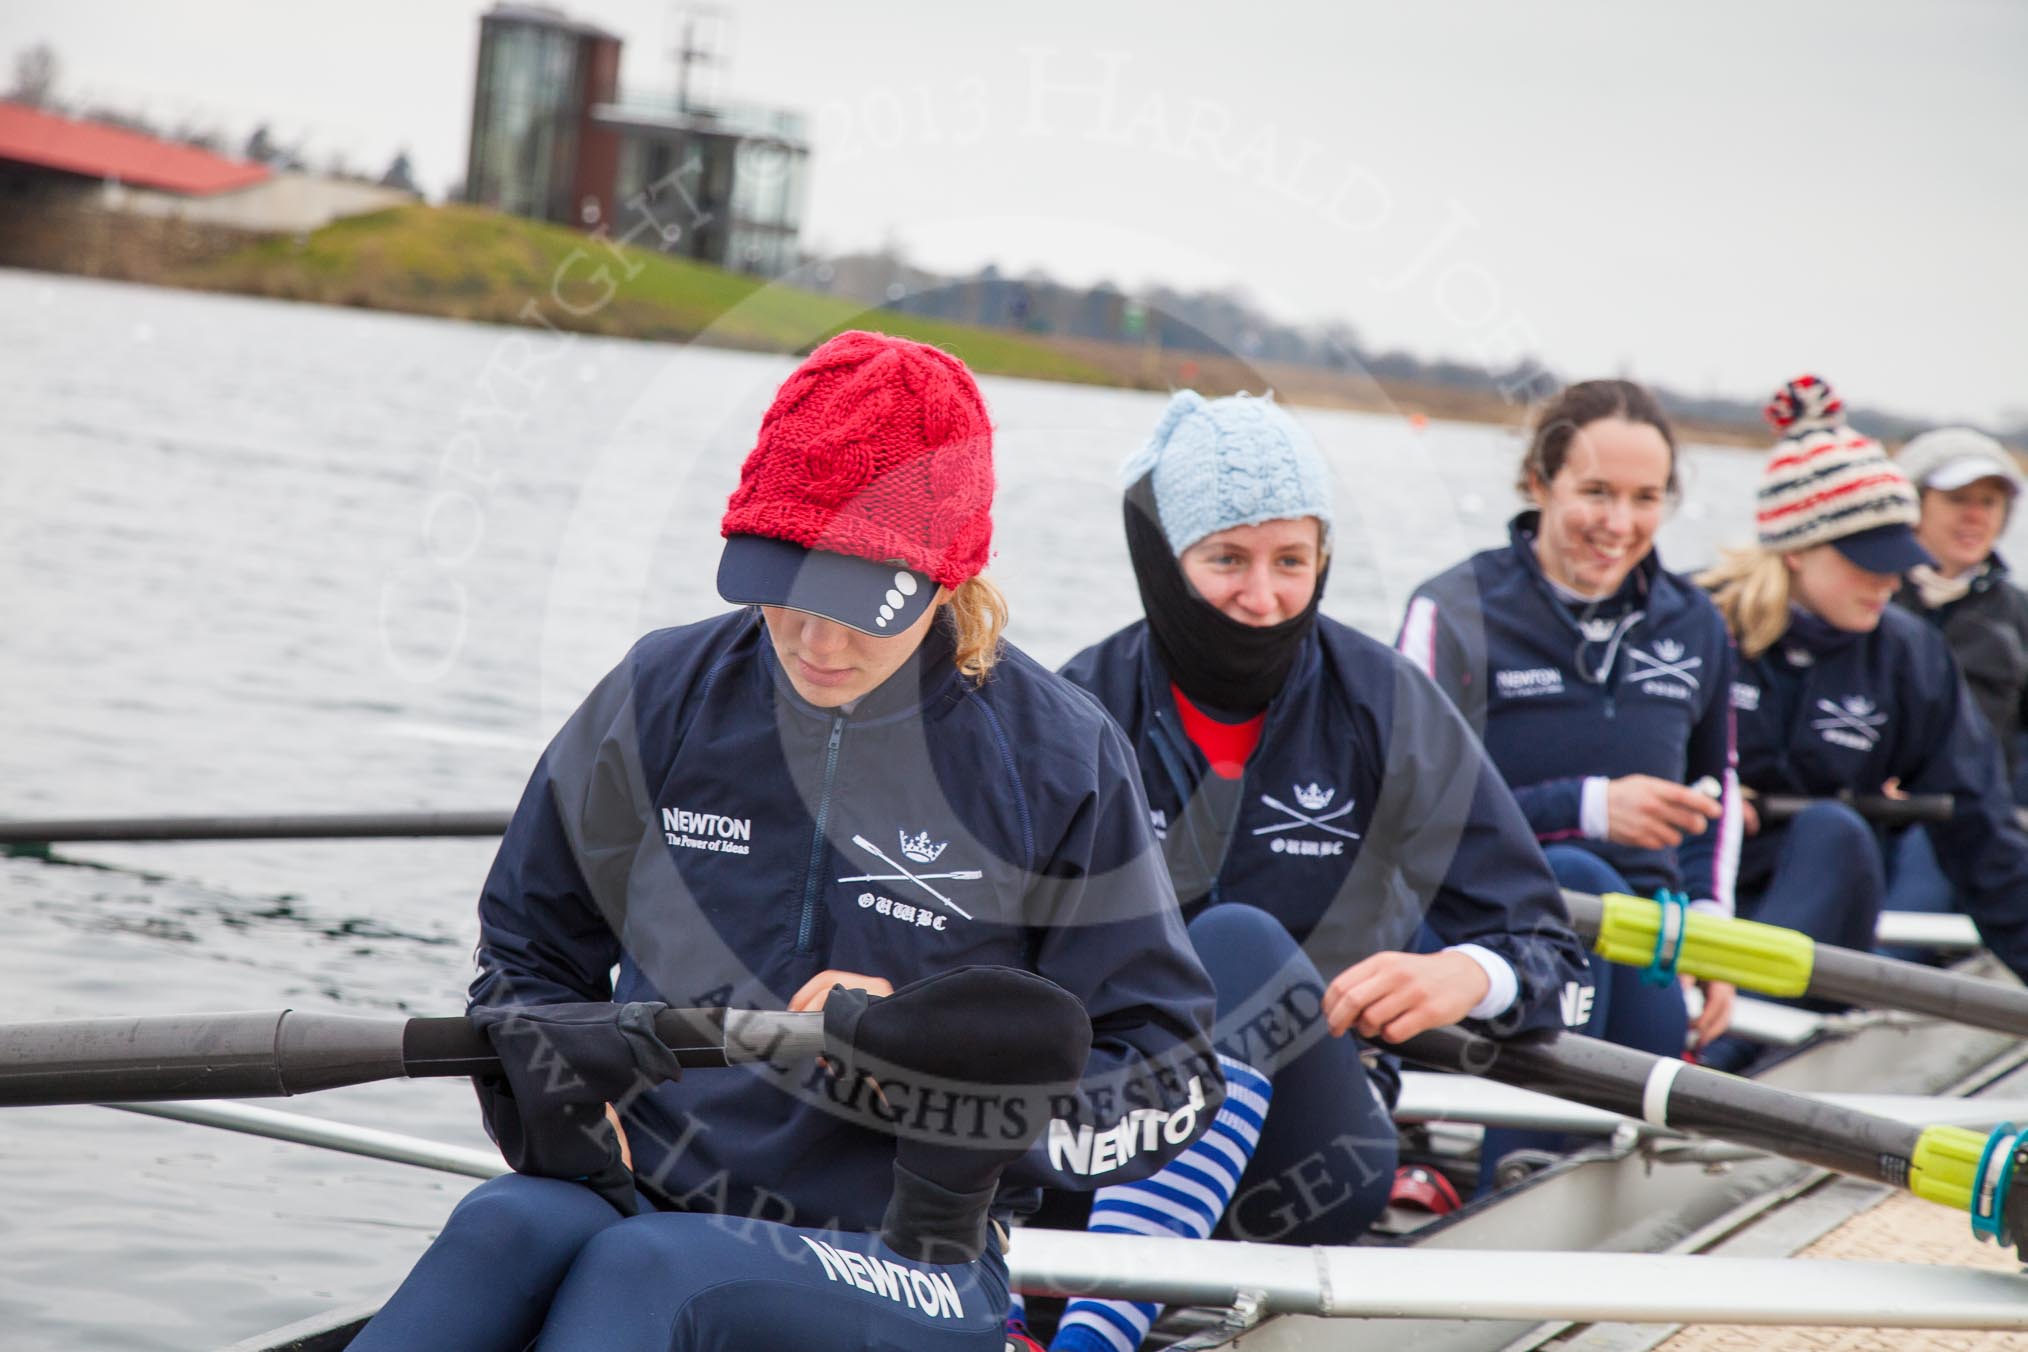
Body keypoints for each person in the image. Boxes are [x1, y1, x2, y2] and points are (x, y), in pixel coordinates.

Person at [350, 332, 1223, 1352]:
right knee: (499, 1226)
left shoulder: (1060, 759)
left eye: (858, 607)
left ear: (947, 578)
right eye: (787, 591)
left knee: (651, 1270)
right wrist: (546, 1067)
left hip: (911, 1254)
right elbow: (527, 956)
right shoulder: (664, 694)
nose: (816, 641)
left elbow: (1172, 1079)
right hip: (653, 1191)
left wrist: (968, 1095)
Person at [1037, 391, 1593, 1352]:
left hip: (1309, 1160)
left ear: (1322, 558)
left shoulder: (1386, 706)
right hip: (1098, 1138)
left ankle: (1094, 1331)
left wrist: (1465, 973)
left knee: (1236, 945)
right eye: (1227, 560)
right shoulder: (1076, 706)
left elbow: (1548, 951)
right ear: (1163, 565)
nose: (1264, 597)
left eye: (1292, 561)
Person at [1398, 379, 1740, 1176]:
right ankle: (1510, 1172)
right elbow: (1404, 822)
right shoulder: (1452, 609)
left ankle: (1527, 1169)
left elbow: (1714, 797)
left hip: (1645, 948)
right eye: (1594, 492)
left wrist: (1716, 934)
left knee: (1601, 898)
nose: (1618, 525)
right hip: (1476, 948)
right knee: (1578, 877)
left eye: (1644, 497)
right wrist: (1585, 810)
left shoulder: (1697, 623)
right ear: (1538, 484)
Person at [1693, 374, 2028, 1071]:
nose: (1886, 582)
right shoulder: (1695, 625)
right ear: (1795, 550)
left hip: (1819, 910)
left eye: (1896, 562)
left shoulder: (1907, 654)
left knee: (1834, 833)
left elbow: (1985, 839)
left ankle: (1715, 1058)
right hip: (1691, 898)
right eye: (1863, 563)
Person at [1886, 428, 2028, 923]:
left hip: (1968, 816)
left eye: (1989, 502)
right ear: (1914, 502)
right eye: (1958, 499)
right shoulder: (1867, 598)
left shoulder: (2016, 616)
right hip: (1869, 804)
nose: (1975, 516)